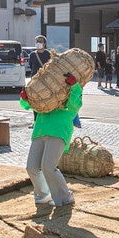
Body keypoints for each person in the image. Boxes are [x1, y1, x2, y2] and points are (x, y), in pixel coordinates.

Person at [20, 72, 81, 207]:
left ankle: (65, 197)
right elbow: (27, 105)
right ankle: (43, 194)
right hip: (40, 130)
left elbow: (75, 106)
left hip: (59, 129)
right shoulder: (44, 91)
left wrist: (74, 86)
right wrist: (25, 98)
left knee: (48, 167)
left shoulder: (70, 89)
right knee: (31, 167)